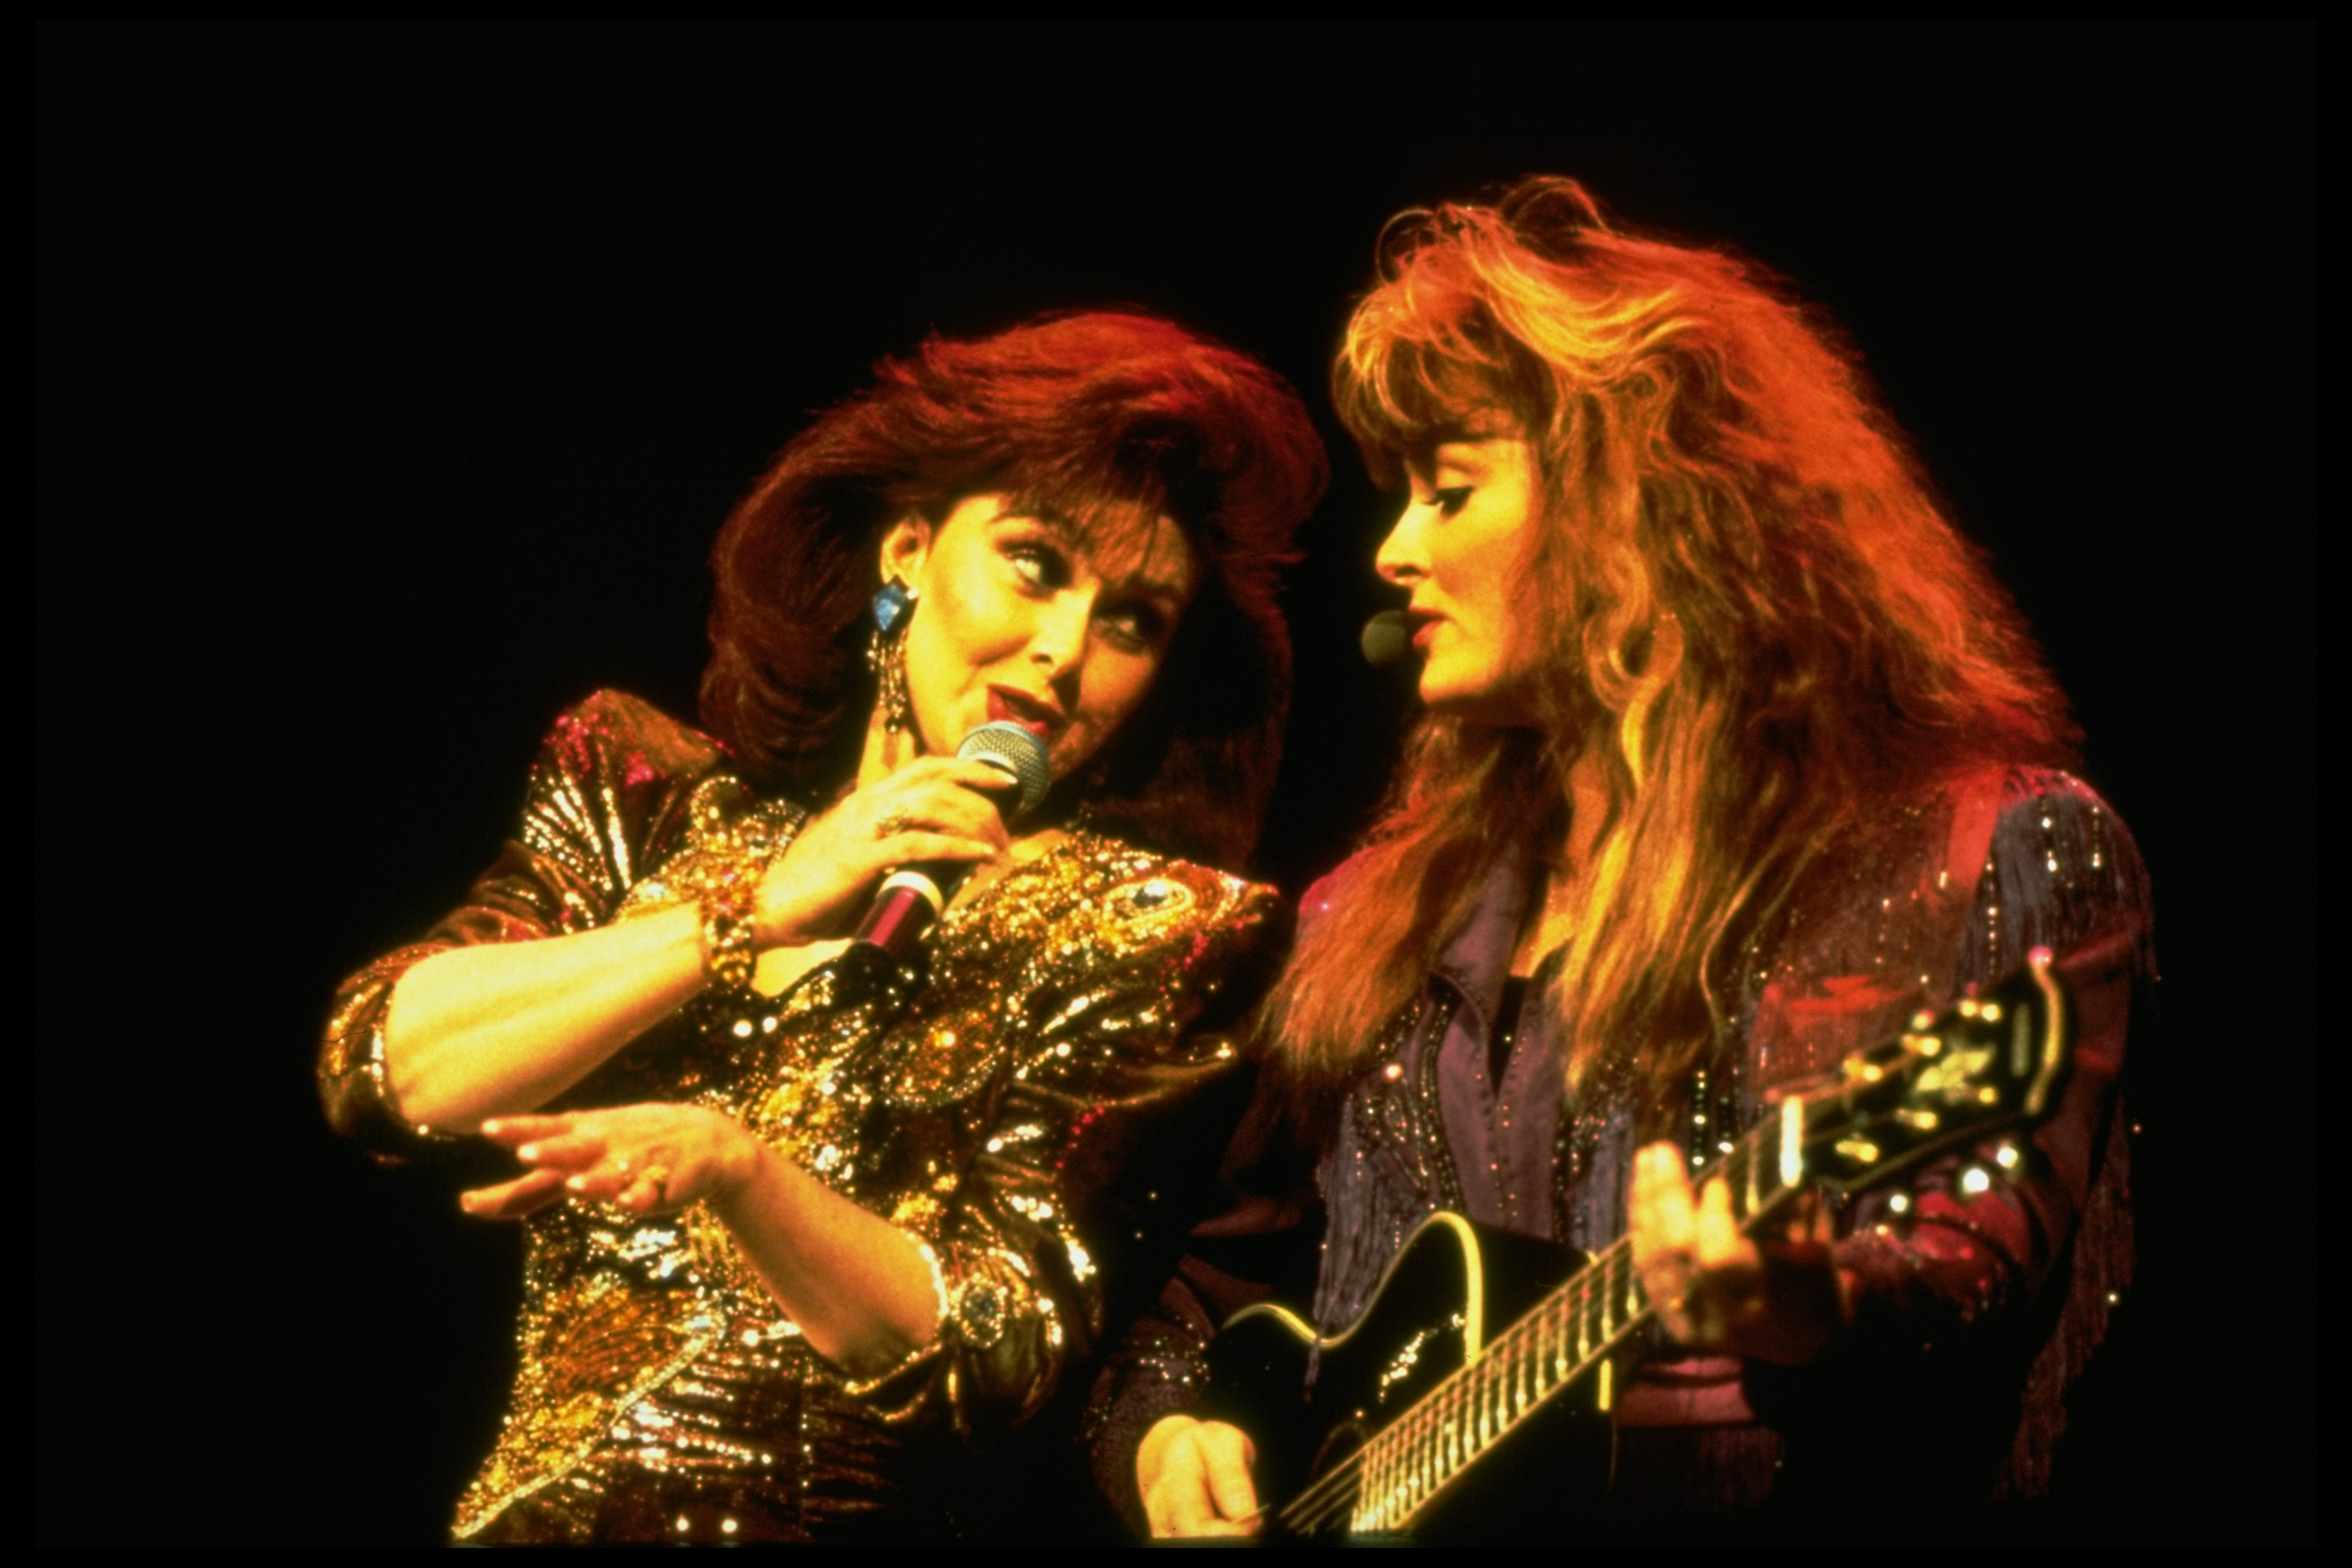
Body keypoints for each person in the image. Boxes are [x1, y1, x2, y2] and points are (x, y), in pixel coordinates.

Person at [1102, 181, 2151, 1539]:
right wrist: (1168, 1433)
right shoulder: (1364, 915)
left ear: (1634, 502)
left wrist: (1804, 1301)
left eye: (1450, 487)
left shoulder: (1984, 843)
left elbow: (1978, 1269)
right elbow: (1204, 1296)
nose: (1395, 550)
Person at [316, 312, 1327, 1543]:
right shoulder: (651, 799)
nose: (1064, 649)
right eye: (1035, 562)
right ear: (909, 549)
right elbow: (383, 1069)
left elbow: (1002, 1353)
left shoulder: (1152, 930)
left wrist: (740, 1170)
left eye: (1131, 621)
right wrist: (745, 909)